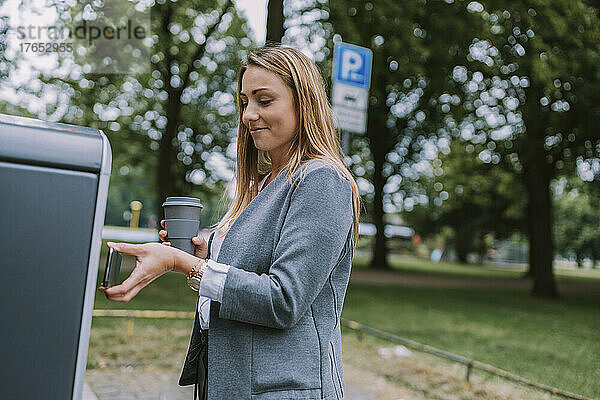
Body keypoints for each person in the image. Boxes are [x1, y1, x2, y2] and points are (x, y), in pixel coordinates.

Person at [100, 45, 360, 400]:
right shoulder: (268, 182)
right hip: (228, 382)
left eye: (264, 101)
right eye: (244, 102)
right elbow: (258, 262)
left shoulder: (321, 180)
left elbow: (283, 299)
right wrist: (208, 252)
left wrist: (187, 264)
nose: (248, 115)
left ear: (304, 104)